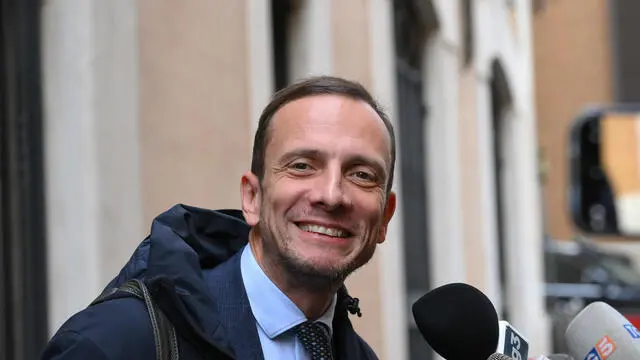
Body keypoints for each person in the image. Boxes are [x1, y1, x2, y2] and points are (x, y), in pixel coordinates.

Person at [40, 75, 397, 360]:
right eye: (302, 166)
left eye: (362, 175)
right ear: (252, 197)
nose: (331, 195)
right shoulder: (118, 343)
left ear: (384, 217)